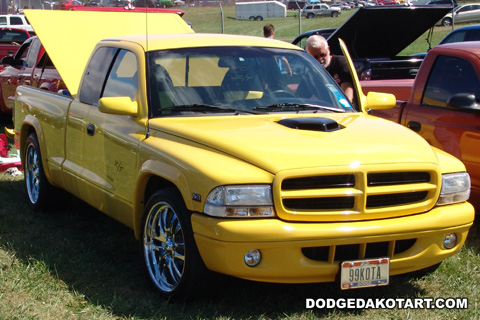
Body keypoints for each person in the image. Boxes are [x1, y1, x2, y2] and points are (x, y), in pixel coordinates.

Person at [305, 35, 354, 103]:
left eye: (323, 55)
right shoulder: (311, 73)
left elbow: (347, 88)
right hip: (327, 109)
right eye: (315, 57)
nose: (320, 59)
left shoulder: (340, 63)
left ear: (328, 49)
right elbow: (300, 96)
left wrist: (346, 106)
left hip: (344, 108)